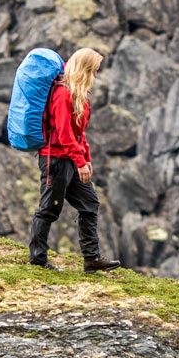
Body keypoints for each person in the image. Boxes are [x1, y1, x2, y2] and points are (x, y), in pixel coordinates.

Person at [28, 48, 122, 272]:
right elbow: (64, 133)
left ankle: (92, 259)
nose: (95, 76)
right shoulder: (62, 94)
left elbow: (79, 133)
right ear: (85, 70)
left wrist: (85, 159)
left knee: (89, 203)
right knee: (49, 208)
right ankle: (37, 259)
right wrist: (79, 161)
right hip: (57, 160)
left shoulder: (78, 95)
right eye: (94, 71)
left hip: (70, 158)